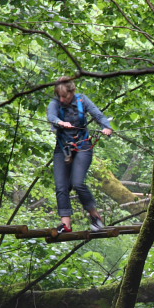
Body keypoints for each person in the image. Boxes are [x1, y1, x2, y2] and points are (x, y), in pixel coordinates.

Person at [46, 77, 113, 233]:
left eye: (65, 96)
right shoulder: (55, 103)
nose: (62, 99)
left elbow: (99, 115)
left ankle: (96, 217)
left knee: (77, 183)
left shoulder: (82, 100)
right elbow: (51, 116)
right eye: (60, 96)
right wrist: (60, 123)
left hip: (83, 147)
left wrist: (107, 127)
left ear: (72, 92)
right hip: (63, 149)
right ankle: (66, 225)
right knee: (61, 187)